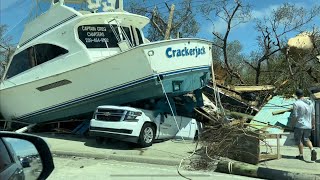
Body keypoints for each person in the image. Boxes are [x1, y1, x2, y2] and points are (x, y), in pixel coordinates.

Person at [292, 89, 317, 161]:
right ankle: (312, 149)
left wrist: (292, 124)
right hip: (308, 125)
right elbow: (313, 115)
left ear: (296, 95)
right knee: (306, 139)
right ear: (303, 94)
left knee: (299, 140)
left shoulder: (296, 103)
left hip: (299, 125)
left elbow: (295, 116)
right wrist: (313, 124)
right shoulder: (310, 103)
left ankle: (301, 155)